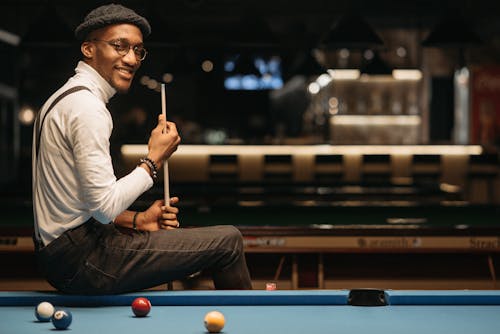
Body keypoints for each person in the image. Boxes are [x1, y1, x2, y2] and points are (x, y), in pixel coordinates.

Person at [32, 3, 252, 294]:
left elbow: (79, 201)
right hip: (84, 259)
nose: (131, 58)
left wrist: (138, 219)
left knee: (225, 241)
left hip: (65, 255)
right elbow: (102, 208)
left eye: (137, 50)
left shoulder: (63, 99)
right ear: (88, 49)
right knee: (229, 242)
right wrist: (153, 159)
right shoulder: (87, 108)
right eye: (119, 46)